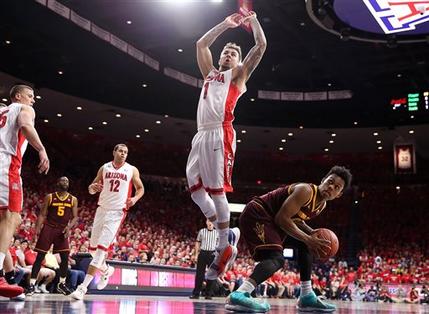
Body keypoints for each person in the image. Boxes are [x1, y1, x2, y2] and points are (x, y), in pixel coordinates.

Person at [186, 10, 266, 281]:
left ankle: (223, 246)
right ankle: (229, 233)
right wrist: (225, 24)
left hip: (221, 134)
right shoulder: (209, 73)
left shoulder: (239, 76)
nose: (228, 54)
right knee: (195, 191)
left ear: (239, 61)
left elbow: (261, 46)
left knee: (218, 193)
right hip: (200, 135)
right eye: (226, 52)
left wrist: (253, 21)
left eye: (233, 53)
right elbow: (201, 44)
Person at [226, 166, 352, 312]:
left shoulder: (321, 205)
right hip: (258, 213)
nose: (331, 187)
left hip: (272, 221)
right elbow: (282, 218)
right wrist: (308, 238)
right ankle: (240, 293)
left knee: (308, 244)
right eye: (330, 182)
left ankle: (306, 296)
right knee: (276, 259)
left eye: (336, 187)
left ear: (339, 194)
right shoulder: (306, 191)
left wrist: (312, 235)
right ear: (323, 180)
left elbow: (296, 220)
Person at [71, 144, 144, 300]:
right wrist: (93, 187)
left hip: (117, 212)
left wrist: (135, 199)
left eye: (126, 152)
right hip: (101, 210)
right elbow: (91, 189)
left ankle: (82, 288)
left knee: (100, 252)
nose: (123, 154)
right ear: (114, 152)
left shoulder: (131, 169)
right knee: (92, 250)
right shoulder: (104, 168)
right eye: (121, 151)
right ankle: (106, 270)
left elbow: (140, 188)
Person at [0, 85, 49, 298]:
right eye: (31, 96)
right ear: (17, 97)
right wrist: (41, 149)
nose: (33, 100)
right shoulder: (23, 108)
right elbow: (25, 125)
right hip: (6, 166)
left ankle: (8, 275)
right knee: (11, 218)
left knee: (5, 223)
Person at [27, 176, 78, 296]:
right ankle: (32, 285)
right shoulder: (50, 197)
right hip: (49, 228)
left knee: (65, 256)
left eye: (67, 181)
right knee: (40, 256)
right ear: (58, 183)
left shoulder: (73, 199)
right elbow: (42, 214)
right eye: (62, 180)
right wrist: (36, 231)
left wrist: (69, 228)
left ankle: (62, 284)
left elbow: (75, 217)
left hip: (62, 230)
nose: (65, 182)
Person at [189, 219, 218, 299]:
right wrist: (196, 254)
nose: (210, 223)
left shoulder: (217, 233)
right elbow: (197, 242)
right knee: (199, 274)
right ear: (206, 222)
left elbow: (219, 244)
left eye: (211, 222)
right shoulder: (202, 231)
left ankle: (208, 294)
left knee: (211, 275)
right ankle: (196, 293)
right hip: (203, 253)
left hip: (212, 254)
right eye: (209, 221)